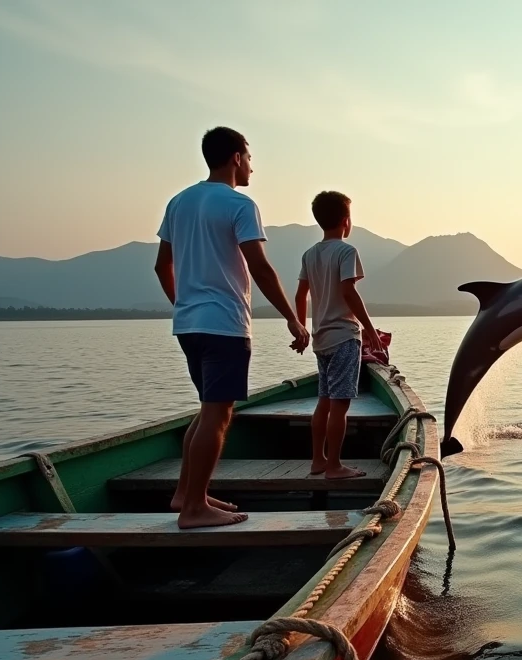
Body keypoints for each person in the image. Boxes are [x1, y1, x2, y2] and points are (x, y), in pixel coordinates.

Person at [153, 127, 309, 529]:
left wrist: (185, 305)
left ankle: (187, 495)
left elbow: (161, 265)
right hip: (223, 324)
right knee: (218, 415)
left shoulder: (178, 202)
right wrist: (292, 317)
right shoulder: (239, 203)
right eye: (250, 158)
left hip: (188, 324)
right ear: (236, 157)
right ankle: (192, 510)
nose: (252, 167)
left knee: (207, 410)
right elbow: (259, 267)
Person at [295, 191, 386, 479]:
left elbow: (300, 295)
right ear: (346, 221)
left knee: (324, 401)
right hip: (345, 337)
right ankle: (334, 466)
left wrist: (301, 328)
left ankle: (318, 461)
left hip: (321, 339)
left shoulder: (310, 254)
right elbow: (349, 292)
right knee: (340, 406)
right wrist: (370, 331)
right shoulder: (347, 252)